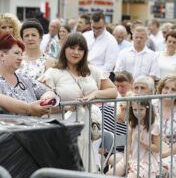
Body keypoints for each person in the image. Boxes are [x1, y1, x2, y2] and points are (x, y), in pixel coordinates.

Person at [39, 32, 118, 172]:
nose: (76, 52)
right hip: (62, 130)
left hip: (87, 130)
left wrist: (94, 94)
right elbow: (44, 105)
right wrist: (68, 107)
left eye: (80, 49)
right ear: (65, 49)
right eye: (72, 47)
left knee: (85, 167)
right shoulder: (53, 72)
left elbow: (112, 91)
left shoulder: (92, 70)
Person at [0, 33, 56, 112]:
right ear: (2, 55)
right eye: (16, 53)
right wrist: (29, 108)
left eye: (21, 54)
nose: (20, 58)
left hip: (36, 123)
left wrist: (46, 98)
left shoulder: (25, 78)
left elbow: (48, 92)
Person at [106, 99, 160, 177]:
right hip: (131, 157)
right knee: (108, 175)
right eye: (135, 109)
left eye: (141, 109)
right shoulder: (132, 122)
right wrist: (126, 159)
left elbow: (157, 148)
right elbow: (128, 144)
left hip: (146, 161)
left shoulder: (154, 125)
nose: (137, 113)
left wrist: (141, 141)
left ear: (147, 109)